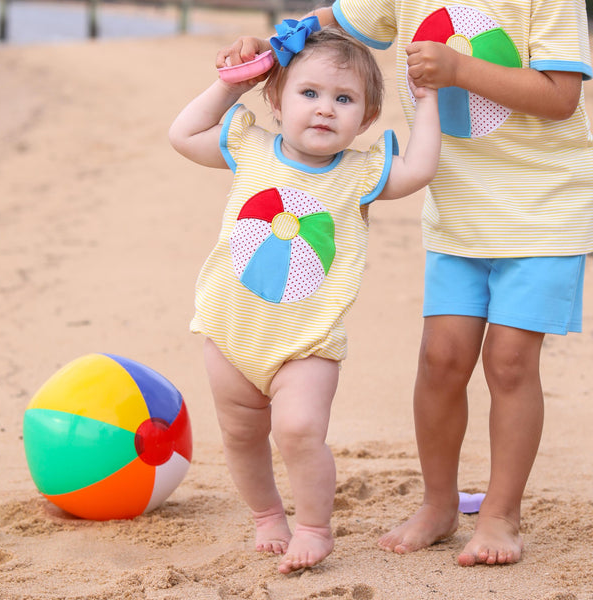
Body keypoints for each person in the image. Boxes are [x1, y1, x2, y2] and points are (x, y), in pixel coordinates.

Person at [216, 0, 593, 567]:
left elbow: (562, 97)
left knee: (510, 362)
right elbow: (333, 23)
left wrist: (459, 70)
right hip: (458, 212)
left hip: (541, 211)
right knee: (441, 360)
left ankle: (499, 515)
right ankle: (439, 506)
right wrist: (266, 47)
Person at [169, 22, 440, 574]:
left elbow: (419, 170)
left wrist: (428, 100)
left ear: (365, 119)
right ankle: (267, 514)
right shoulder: (249, 145)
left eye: (344, 100)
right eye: (309, 93)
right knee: (241, 436)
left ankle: (315, 526)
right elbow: (182, 134)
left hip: (306, 341)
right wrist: (232, 84)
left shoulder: (360, 172)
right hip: (230, 329)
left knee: (297, 429)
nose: (324, 109)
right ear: (277, 97)